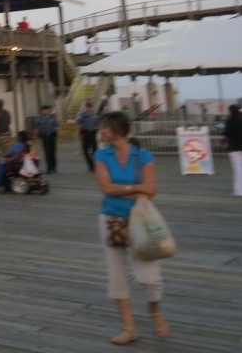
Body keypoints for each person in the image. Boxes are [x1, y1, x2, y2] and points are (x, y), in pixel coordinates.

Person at [94, 111, 168, 344]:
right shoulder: (101, 154)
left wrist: (124, 188)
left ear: (115, 129)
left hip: (140, 221)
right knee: (117, 276)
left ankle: (155, 310)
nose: (100, 131)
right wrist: (135, 189)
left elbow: (152, 189)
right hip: (110, 219)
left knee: (150, 277)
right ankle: (129, 328)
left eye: (103, 127)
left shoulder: (142, 155)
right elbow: (106, 188)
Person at [223, 105, 242, 196]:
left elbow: (227, 133)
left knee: (238, 169)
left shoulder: (229, 122)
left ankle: (240, 191)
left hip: (234, 147)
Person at [34, 104, 60, 173]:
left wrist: (59, 136)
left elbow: (56, 127)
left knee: (53, 152)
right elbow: (37, 128)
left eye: (50, 109)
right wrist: (36, 137)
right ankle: (49, 168)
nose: (49, 111)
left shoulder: (52, 117)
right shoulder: (39, 118)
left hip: (52, 136)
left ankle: (54, 167)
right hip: (45, 137)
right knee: (47, 153)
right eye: (48, 109)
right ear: (43, 110)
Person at [77, 102, 101, 172]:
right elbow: (79, 125)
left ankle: (94, 165)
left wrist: (99, 135)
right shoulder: (82, 115)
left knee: (95, 151)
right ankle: (90, 165)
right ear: (86, 107)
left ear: (92, 107)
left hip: (93, 134)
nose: (89, 108)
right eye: (88, 107)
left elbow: (99, 126)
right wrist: (79, 134)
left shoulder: (96, 116)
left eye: (90, 107)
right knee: (86, 151)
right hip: (85, 135)